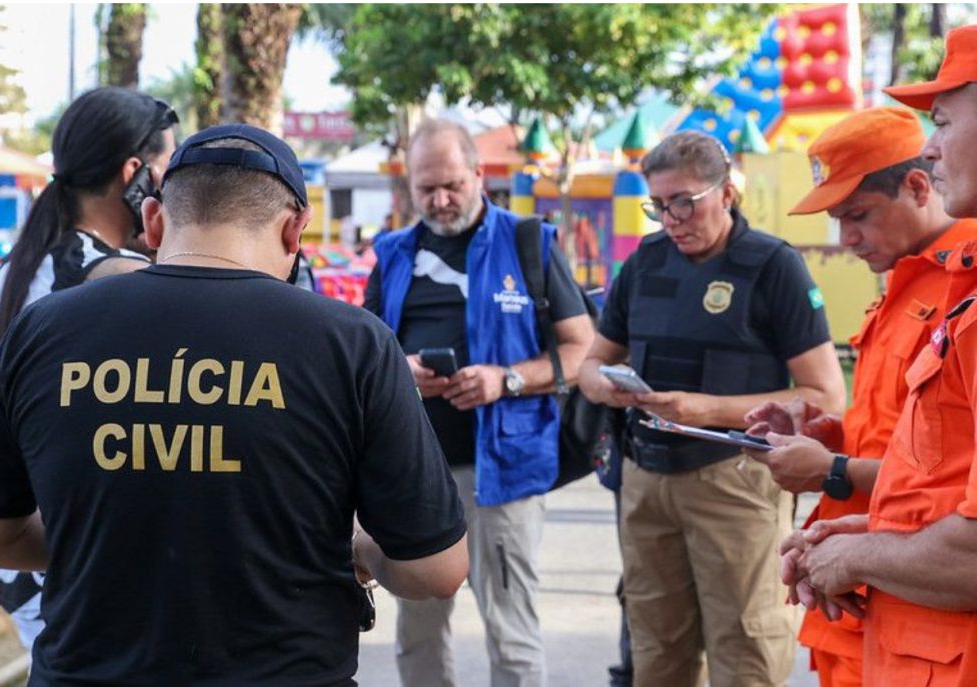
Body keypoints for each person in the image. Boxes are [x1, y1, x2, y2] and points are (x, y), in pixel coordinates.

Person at [0, 123, 469, 685]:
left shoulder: (44, 329)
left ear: (154, 220)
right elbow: (437, 569)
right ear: (295, 229)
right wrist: (358, 551)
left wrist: (104, 539)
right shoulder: (352, 344)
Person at [577, 130, 846, 687]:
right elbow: (589, 365)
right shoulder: (645, 262)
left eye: (684, 201)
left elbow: (824, 395)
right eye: (658, 205)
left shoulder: (773, 265)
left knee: (745, 649)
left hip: (734, 480)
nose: (670, 219)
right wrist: (607, 387)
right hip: (645, 480)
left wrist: (705, 409)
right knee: (656, 649)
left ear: (726, 192)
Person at [742, 106, 977, 687]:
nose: (846, 238)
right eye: (837, 220)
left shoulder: (962, 286)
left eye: (858, 215)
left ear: (918, 186)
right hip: (864, 585)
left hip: (918, 592)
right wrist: (829, 437)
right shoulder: (904, 281)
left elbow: (950, 483)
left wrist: (834, 470)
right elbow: (914, 438)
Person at [364, 118, 594, 687]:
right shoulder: (393, 253)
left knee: (512, 633)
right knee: (417, 631)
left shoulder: (528, 242)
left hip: (505, 472)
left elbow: (581, 350)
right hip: (415, 473)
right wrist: (401, 372)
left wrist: (505, 380)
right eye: (427, 188)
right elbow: (364, 356)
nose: (440, 200)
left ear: (478, 174)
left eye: (452, 185)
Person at [0, 86, 178, 652]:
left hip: (29, 566)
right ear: (135, 173)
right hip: (100, 565)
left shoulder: (9, 273)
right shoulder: (125, 279)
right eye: (169, 170)